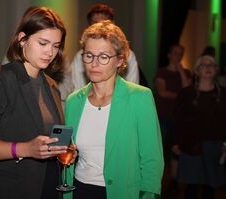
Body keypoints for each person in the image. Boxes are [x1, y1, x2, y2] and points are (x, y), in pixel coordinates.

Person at [0, 6, 76, 199]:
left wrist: (63, 148)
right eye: (43, 43)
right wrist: (25, 149)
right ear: (22, 39)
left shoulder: (51, 85)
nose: (50, 52)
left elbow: (48, 137)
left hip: (47, 183)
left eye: (56, 45)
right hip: (7, 187)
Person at [64, 20, 164, 199]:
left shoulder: (139, 98)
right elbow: (69, 151)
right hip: (79, 190)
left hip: (122, 193)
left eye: (103, 56)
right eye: (89, 55)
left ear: (119, 60)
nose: (94, 63)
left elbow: (152, 160)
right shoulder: (73, 101)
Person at [172, 55, 226, 199]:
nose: (208, 68)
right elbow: (177, 119)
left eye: (211, 65)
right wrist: (176, 142)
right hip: (191, 145)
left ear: (216, 70)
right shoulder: (187, 93)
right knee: (192, 186)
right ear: (196, 71)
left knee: (210, 185)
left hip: (214, 145)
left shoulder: (223, 93)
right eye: (204, 65)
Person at [71, 3, 142, 91]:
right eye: (95, 23)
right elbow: (78, 90)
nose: (100, 27)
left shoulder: (128, 55)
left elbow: (132, 89)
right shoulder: (80, 56)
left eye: (104, 57)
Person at [154, 44, 192, 188]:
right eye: (176, 53)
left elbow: (188, 90)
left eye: (181, 53)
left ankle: (174, 180)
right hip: (163, 116)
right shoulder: (162, 72)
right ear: (169, 55)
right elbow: (162, 92)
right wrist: (181, 97)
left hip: (179, 118)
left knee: (176, 149)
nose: (178, 56)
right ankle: (157, 180)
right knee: (161, 149)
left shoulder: (186, 73)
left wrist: (181, 70)